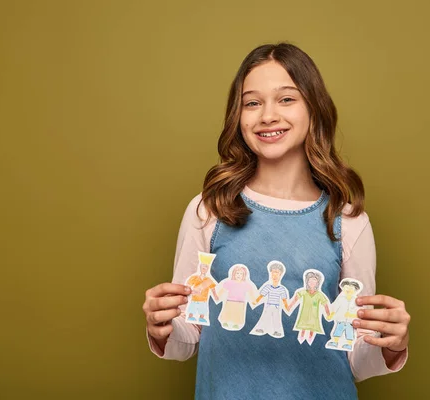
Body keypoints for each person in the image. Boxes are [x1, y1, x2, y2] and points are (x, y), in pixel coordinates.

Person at [142, 42, 411, 399]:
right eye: (252, 103)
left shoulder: (348, 221)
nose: (267, 115)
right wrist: (161, 325)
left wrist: (392, 344)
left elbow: (354, 355)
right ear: (238, 116)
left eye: (286, 99)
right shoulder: (209, 210)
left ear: (314, 108)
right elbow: (188, 335)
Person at [289, 269, 330, 345]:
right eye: (310, 281)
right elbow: (296, 298)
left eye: (314, 281)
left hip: (314, 316)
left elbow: (325, 305)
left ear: (317, 283)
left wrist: (328, 314)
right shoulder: (304, 292)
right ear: (307, 282)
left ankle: (309, 341)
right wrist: (290, 306)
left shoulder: (319, 295)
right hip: (304, 315)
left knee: (312, 329)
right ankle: (300, 340)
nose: (312, 283)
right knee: (303, 328)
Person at [250, 261, 290, 338]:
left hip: (276, 307)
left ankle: (277, 331)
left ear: (280, 274)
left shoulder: (282, 289)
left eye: (276, 273)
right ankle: (261, 328)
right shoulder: (267, 287)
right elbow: (261, 295)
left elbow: (284, 299)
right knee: (265, 316)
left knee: (276, 318)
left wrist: (286, 306)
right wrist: (256, 301)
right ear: (270, 274)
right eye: (273, 273)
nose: (274, 275)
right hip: (268, 305)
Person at [215, 264, 256, 330]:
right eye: (237, 273)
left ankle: (236, 324)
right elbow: (223, 290)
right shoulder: (229, 283)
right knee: (228, 312)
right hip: (230, 301)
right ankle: (225, 321)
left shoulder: (246, 284)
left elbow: (251, 293)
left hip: (240, 302)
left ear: (244, 275)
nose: (239, 275)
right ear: (234, 274)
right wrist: (217, 296)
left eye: (241, 274)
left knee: (238, 314)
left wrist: (253, 300)